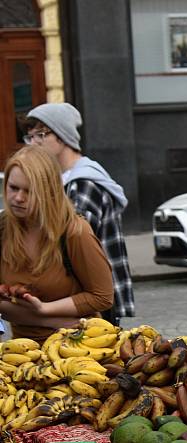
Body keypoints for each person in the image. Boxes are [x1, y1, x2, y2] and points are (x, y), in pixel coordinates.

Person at [24, 103, 134, 326]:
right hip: (83, 297)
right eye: (30, 136)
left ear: (62, 137)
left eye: (41, 135)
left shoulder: (82, 183)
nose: (34, 142)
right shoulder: (67, 179)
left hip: (92, 298)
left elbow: (69, 243)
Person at [0, 146, 114, 344]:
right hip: (22, 352)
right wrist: (56, 320)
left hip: (80, 347)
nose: (18, 198)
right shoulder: (3, 228)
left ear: (49, 191)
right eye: (13, 188)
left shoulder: (74, 232)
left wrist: (45, 309)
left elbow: (102, 297)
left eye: (29, 191)